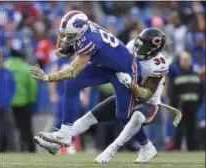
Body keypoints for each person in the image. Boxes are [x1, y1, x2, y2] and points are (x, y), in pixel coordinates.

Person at [34, 28, 181, 163]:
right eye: (138, 42)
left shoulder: (158, 64)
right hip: (127, 93)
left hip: (148, 103)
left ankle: (112, 149)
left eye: (143, 45)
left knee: (132, 117)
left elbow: (146, 95)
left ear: (153, 49)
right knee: (88, 119)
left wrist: (132, 84)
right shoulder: (131, 46)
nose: (137, 47)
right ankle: (60, 137)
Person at [30, 10, 137, 148]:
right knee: (73, 84)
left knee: (124, 116)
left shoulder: (91, 39)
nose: (65, 40)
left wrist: (47, 77)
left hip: (124, 71)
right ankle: (65, 133)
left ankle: (146, 145)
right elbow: (74, 44)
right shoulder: (84, 28)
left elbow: (73, 71)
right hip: (108, 67)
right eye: (64, 35)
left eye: (69, 36)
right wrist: (69, 47)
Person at [169, 51, 204, 151]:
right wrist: (175, 105)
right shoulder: (176, 76)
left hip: (193, 108)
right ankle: (176, 148)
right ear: (179, 62)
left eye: (188, 59)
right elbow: (173, 93)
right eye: (184, 60)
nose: (186, 62)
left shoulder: (196, 75)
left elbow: (201, 91)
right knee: (179, 130)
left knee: (192, 130)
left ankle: (193, 149)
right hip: (180, 108)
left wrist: (198, 104)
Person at [5, 49, 38, 152]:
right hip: (24, 103)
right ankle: (30, 149)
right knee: (26, 129)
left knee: (5, 128)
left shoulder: (4, 67)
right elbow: (33, 87)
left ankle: (3, 150)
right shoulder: (26, 68)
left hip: (7, 104)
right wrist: (31, 100)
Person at [0, 48, 18, 152]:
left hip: (5, 106)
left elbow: (13, 87)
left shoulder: (8, 73)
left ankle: (14, 150)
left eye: (0, 57)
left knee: (9, 127)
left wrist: (8, 99)